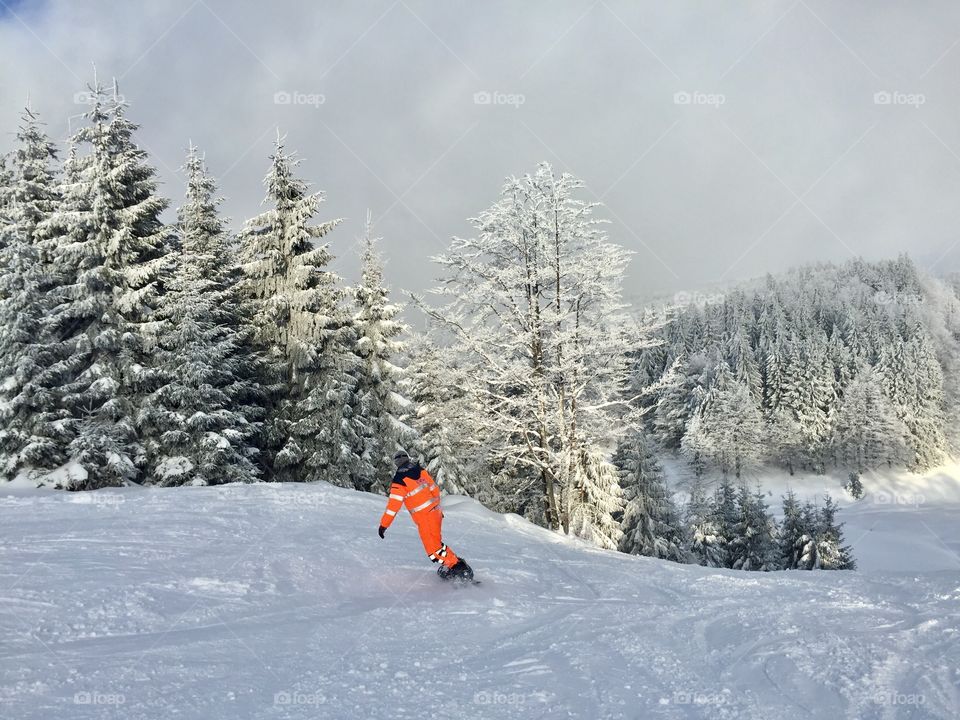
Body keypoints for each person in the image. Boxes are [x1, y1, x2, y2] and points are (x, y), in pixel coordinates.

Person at [378, 450, 473, 581]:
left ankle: (458, 568)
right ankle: (453, 565)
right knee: (437, 545)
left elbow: (393, 507)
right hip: (436, 513)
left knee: (433, 551)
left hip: (425, 518)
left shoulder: (399, 480)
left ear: (396, 463)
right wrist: (436, 508)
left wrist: (384, 525)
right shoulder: (420, 471)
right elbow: (435, 489)